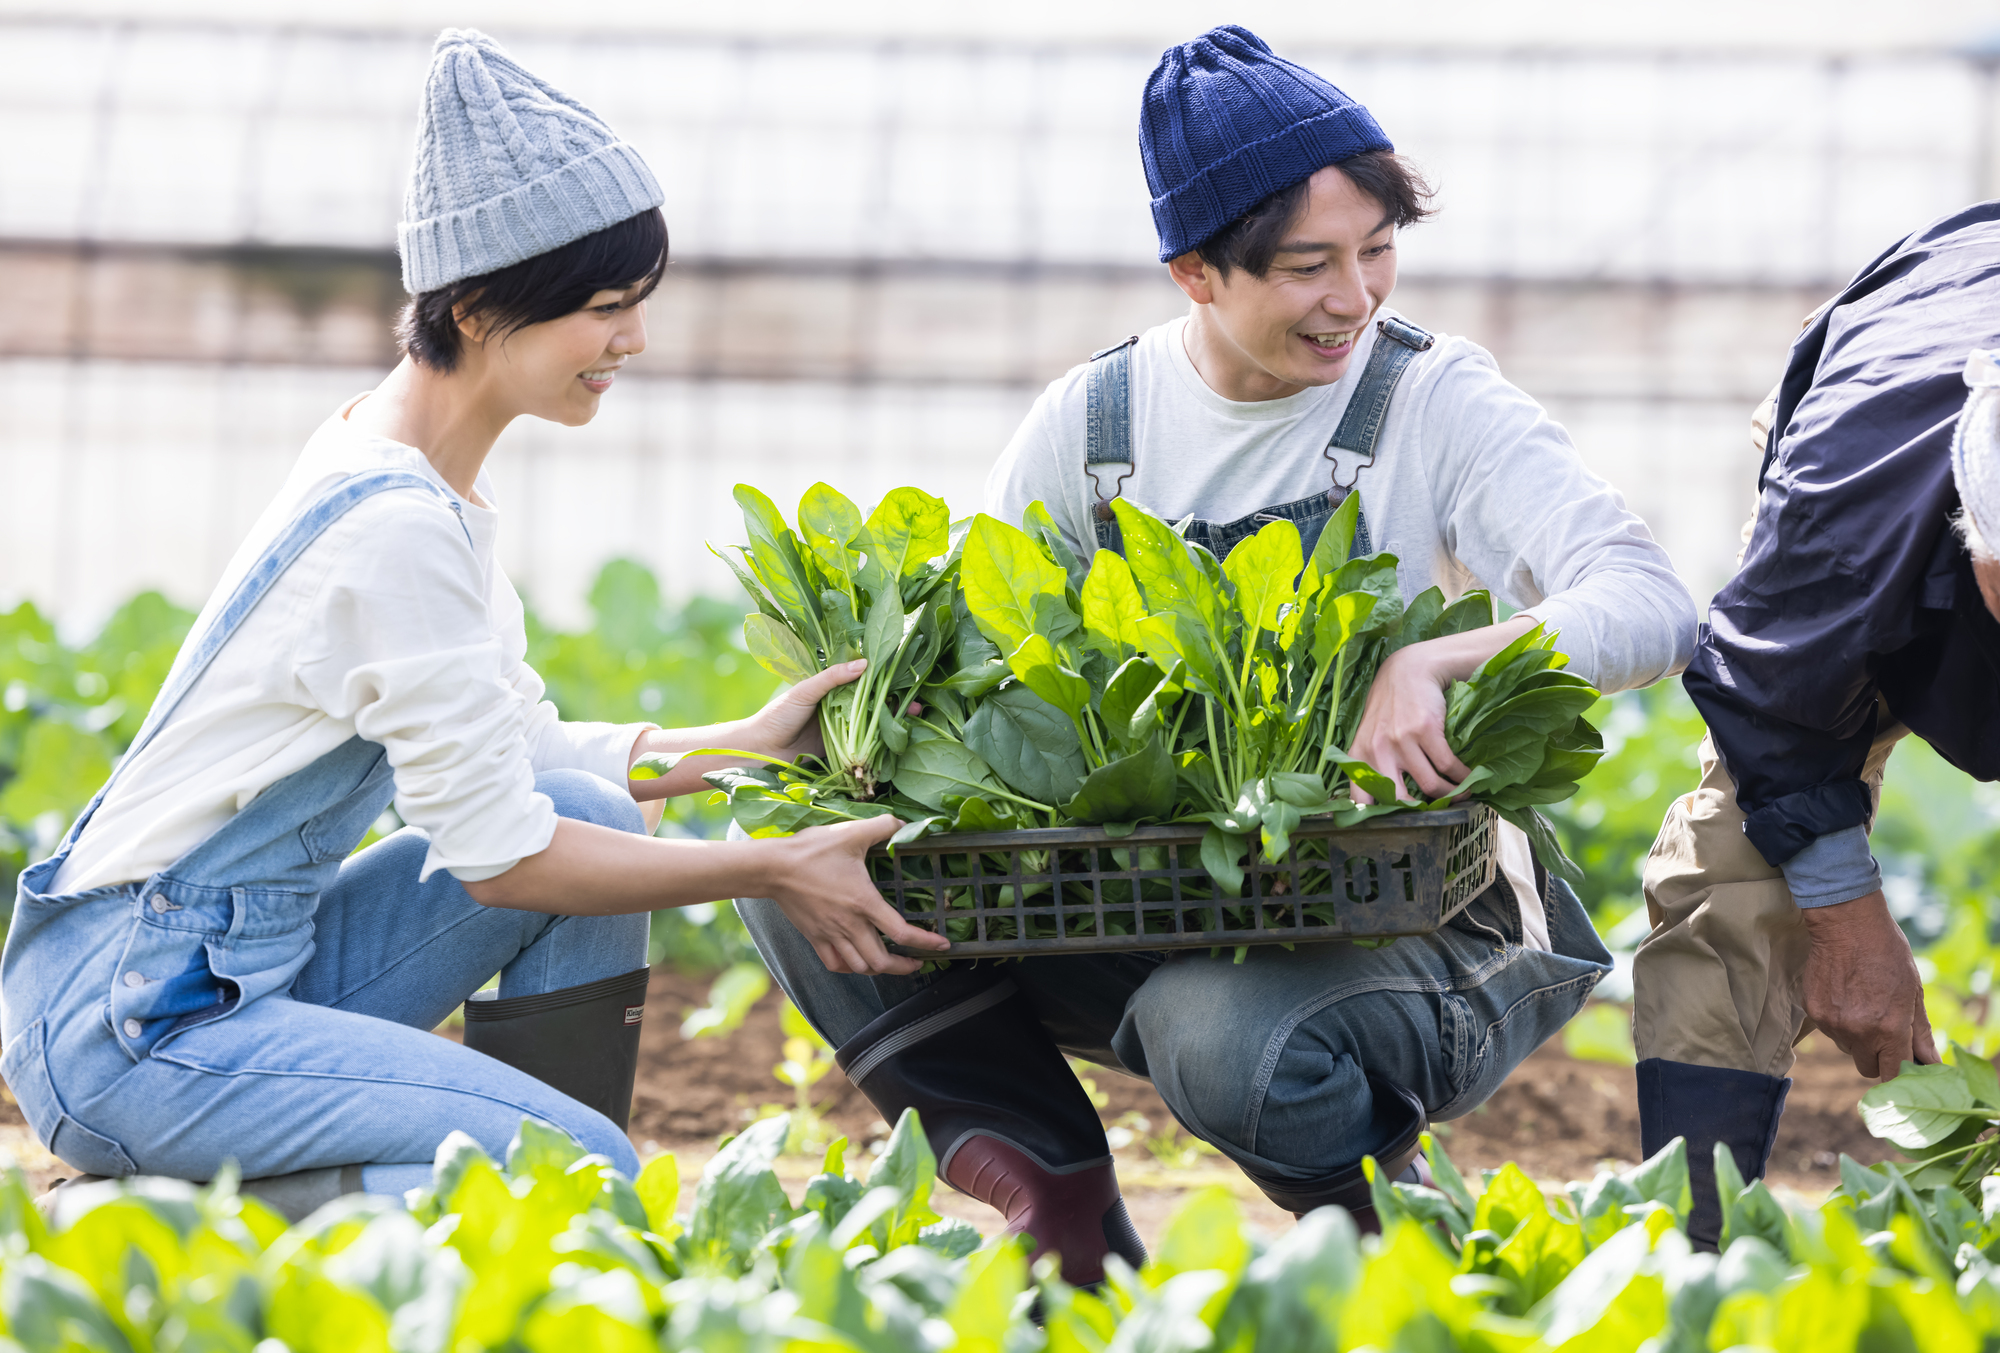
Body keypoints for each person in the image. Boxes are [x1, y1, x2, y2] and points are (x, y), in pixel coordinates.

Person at [735, 25, 1694, 1282]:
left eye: (1376, 251)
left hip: (1422, 912)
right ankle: (1065, 1236)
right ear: (1195, 273)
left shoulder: (1431, 400)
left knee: (1217, 1032)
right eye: (1308, 266)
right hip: (1163, 889)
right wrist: (869, 728)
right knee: (794, 876)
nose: (1353, 297)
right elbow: (977, 651)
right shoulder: (1093, 427)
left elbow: (1650, 601)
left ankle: (1386, 1238)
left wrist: (1439, 664)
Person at [0, 29, 943, 1220]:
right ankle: (151, 1213)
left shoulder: (415, 478)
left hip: (228, 968)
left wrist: (748, 747)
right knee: (573, 1167)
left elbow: (526, 763)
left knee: (591, 819)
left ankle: (518, 1218)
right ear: (480, 305)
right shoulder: (391, 526)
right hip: (138, 1020)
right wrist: (769, 864)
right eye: (605, 308)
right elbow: (501, 862)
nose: (632, 341)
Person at [1633, 202, 2000, 1250]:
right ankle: (1688, 1252)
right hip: (1889, 397)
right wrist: (1842, 916)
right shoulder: (1847, 507)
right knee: (1744, 860)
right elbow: (1769, 698)